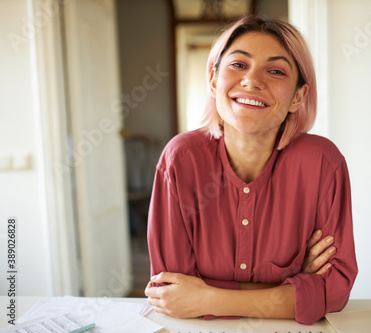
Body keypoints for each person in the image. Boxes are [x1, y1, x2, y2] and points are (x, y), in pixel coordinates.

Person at [145, 15, 357, 325]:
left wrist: (206, 296)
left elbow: (334, 290)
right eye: (238, 65)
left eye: (275, 71)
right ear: (214, 80)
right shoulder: (180, 160)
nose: (252, 81)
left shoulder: (323, 163)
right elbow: (170, 292)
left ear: (298, 96)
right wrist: (293, 286)